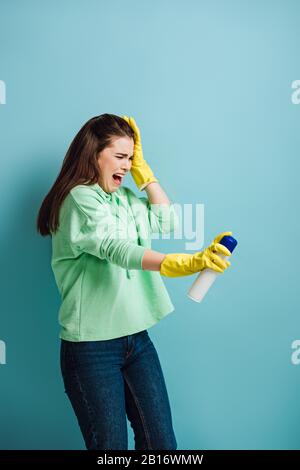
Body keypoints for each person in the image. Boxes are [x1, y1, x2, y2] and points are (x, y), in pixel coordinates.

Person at [36, 113, 232, 450]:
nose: (126, 166)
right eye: (120, 156)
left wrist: (144, 170)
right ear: (93, 154)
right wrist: (181, 263)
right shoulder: (80, 200)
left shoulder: (124, 199)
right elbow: (116, 249)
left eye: (131, 158)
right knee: (110, 449)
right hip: (92, 348)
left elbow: (167, 221)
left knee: (161, 445)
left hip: (136, 340)